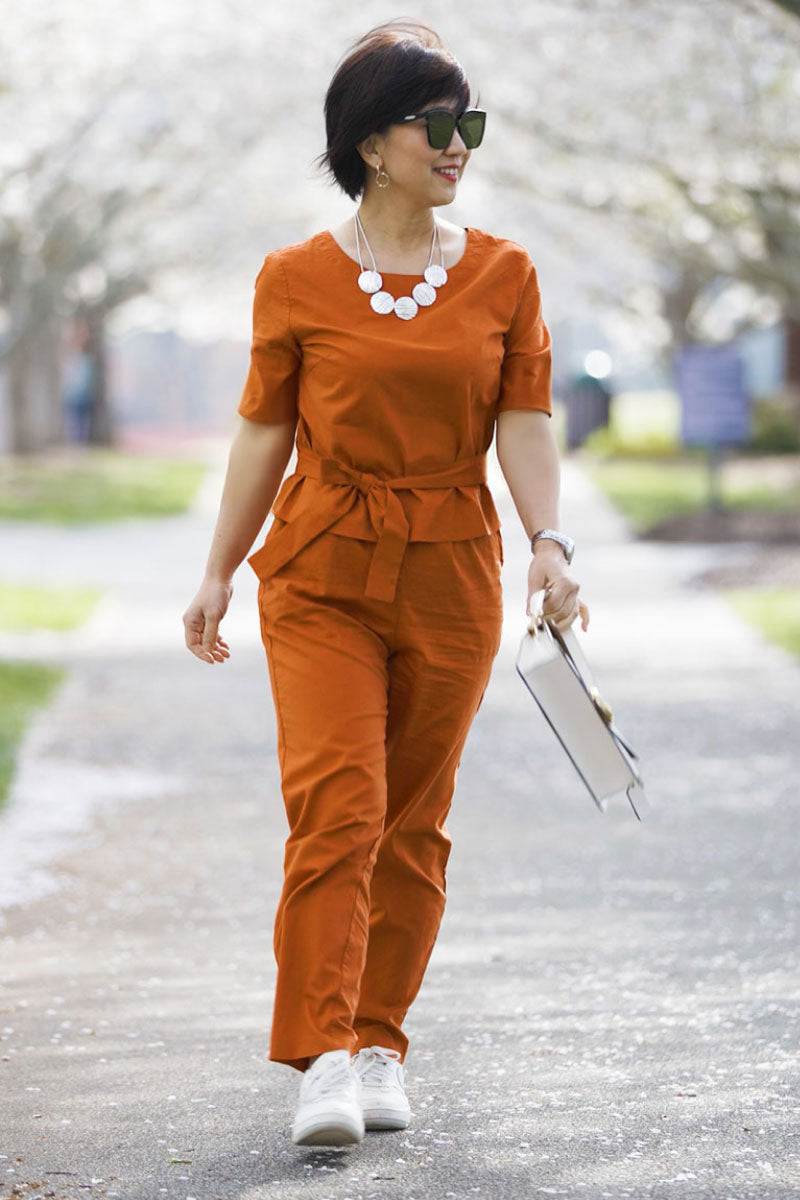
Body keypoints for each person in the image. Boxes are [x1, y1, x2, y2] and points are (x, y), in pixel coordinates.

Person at [182, 19, 589, 1149]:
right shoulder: (295, 279)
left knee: (411, 824)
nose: (459, 144)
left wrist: (550, 541)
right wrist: (218, 570)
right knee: (335, 811)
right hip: (320, 570)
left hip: (451, 569)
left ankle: (377, 1041)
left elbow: (523, 419)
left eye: (471, 124)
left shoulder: (504, 273)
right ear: (371, 143)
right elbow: (263, 435)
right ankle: (319, 1055)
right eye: (435, 123)